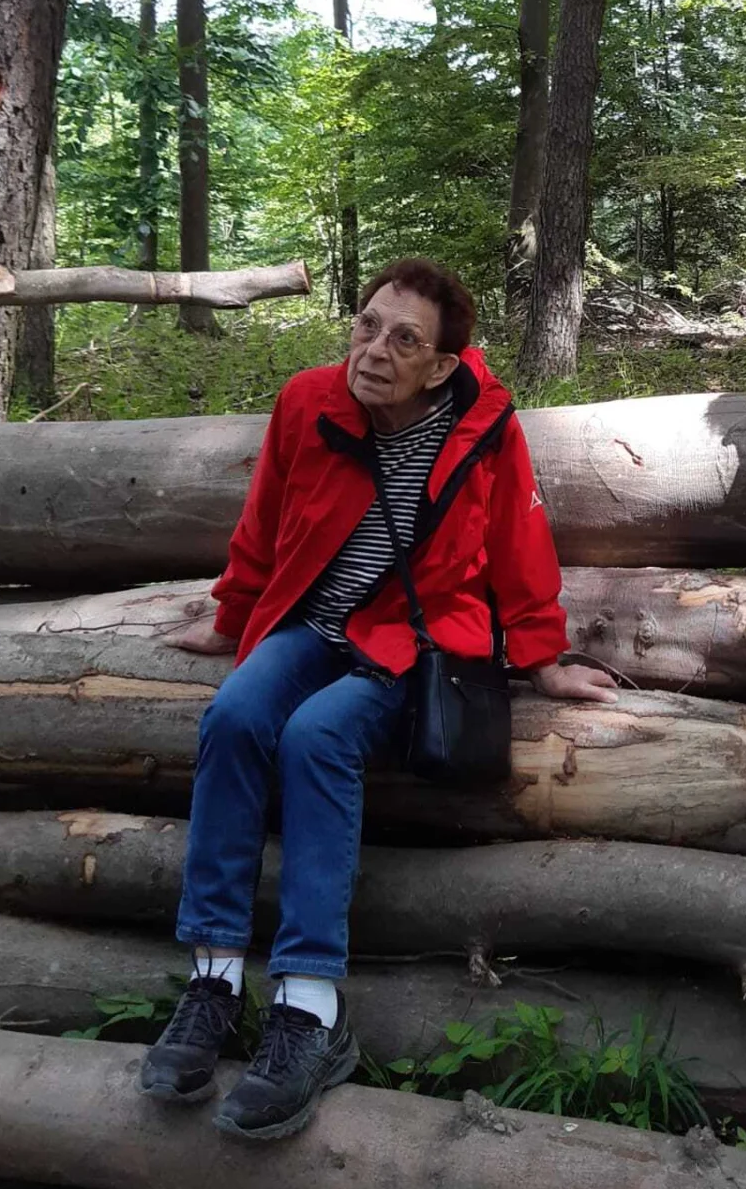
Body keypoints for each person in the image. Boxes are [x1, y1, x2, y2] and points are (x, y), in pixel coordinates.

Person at [141, 256, 617, 1140]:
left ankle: (309, 1007)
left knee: (316, 737)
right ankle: (213, 979)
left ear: (440, 366)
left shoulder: (483, 426)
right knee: (236, 715)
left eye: (404, 339)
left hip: (412, 642)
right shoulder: (308, 401)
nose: (374, 350)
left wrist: (544, 658)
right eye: (367, 325)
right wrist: (233, 616)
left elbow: (519, 541)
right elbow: (264, 519)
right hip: (311, 624)